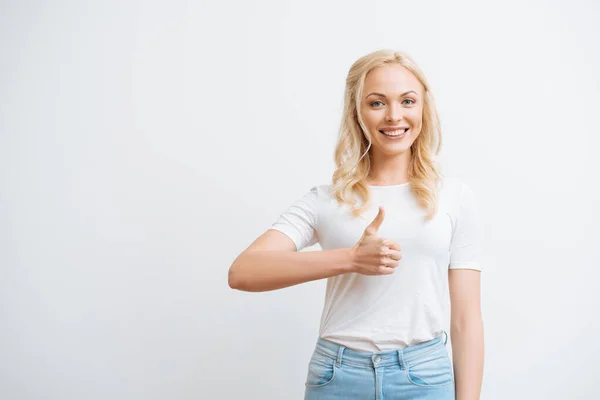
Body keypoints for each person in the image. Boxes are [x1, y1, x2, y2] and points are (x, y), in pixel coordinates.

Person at [228, 49, 484, 400]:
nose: (394, 116)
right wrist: (350, 259)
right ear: (357, 112)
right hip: (338, 378)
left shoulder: (454, 197)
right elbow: (243, 272)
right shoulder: (326, 199)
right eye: (377, 103)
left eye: (407, 101)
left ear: (423, 107)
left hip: (424, 377)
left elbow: (466, 321)